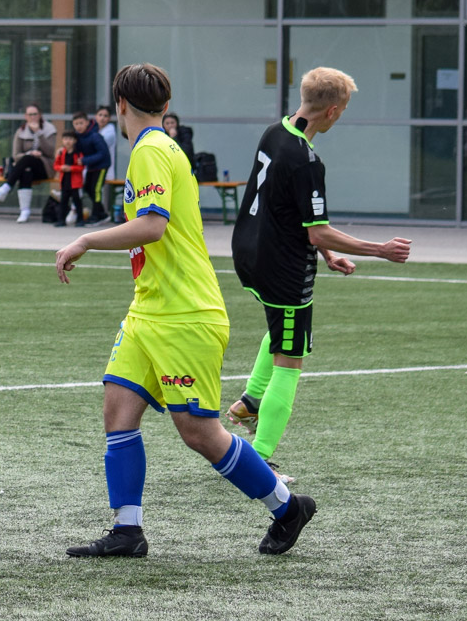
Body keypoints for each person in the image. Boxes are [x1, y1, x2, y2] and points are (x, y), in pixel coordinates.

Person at [55, 62, 313, 559]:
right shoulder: (160, 146)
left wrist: (85, 239)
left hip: (185, 315)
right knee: (118, 409)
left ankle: (287, 507)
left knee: (199, 432)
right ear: (166, 105)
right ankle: (127, 530)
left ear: (120, 104)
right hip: (149, 310)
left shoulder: (151, 149)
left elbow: (152, 226)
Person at [226, 67, 412, 476]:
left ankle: (250, 403)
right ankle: (258, 459)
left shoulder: (275, 131)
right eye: (343, 109)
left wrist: (327, 255)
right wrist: (379, 250)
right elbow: (317, 230)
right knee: (290, 359)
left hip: (249, 252)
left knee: (282, 325)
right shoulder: (306, 160)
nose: (340, 116)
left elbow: (289, 209)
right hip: (281, 264)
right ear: (332, 111)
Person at [0, 105, 56, 222]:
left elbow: (50, 152)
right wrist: (30, 153)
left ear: (40, 115)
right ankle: (24, 211)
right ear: (26, 116)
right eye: (30, 114)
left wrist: (39, 133)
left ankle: (7, 187)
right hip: (25, 166)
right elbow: (16, 155)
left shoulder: (49, 129)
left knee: (28, 159)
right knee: (26, 170)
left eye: (35, 114)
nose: (33, 117)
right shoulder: (21, 131)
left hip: (44, 167)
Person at [72, 111, 110, 223]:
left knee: (96, 190)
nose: (79, 126)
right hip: (91, 166)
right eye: (76, 124)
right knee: (88, 188)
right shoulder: (77, 137)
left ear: (87, 123)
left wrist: (85, 160)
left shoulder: (95, 136)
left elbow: (102, 153)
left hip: (101, 166)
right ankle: (102, 213)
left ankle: (96, 216)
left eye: (81, 123)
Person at [51, 129, 85, 227]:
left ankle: (80, 220)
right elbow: (55, 166)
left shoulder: (78, 154)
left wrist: (71, 168)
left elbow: (81, 167)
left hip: (75, 183)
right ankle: (61, 220)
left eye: (70, 139)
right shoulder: (61, 153)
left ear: (74, 141)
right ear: (62, 140)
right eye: (65, 139)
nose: (68, 141)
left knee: (77, 202)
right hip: (64, 182)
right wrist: (62, 168)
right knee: (63, 202)